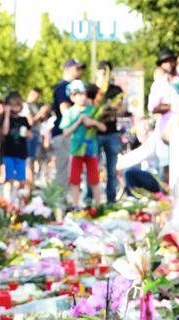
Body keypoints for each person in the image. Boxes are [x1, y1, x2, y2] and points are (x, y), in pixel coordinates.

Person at [60, 80, 106, 209]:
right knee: (75, 178)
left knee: (94, 178)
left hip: (91, 148)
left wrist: (93, 122)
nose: (82, 97)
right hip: (76, 149)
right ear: (72, 96)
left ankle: (98, 206)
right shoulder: (70, 112)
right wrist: (79, 121)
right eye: (79, 94)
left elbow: (103, 127)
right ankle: (75, 205)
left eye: (84, 94)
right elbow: (65, 132)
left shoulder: (94, 110)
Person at [51, 58, 85, 187]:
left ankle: (68, 201)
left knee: (72, 170)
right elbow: (64, 109)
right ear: (66, 69)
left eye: (80, 68)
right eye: (76, 68)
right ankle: (59, 202)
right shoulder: (63, 86)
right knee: (63, 170)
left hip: (72, 133)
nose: (79, 71)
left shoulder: (75, 86)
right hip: (63, 133)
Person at [94, 61, 124, 204]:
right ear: (97, 72)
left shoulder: (116, 90)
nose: (105, 74)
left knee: (111, 169)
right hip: (94, 134)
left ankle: (111, 200)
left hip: (111, 133)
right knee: (93, 167)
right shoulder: (92, 90)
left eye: (107, 71)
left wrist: (109, 110)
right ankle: (92, 200)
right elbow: (91, 110)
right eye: (102, 71)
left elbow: (118, 109)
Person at [1, 91, 31, 205]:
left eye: (17, 105)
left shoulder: (23, 119)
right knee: (9, 179)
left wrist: (27, 133)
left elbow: (30, 133)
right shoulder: (5, 119)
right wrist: (7, 114)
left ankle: (20, 202)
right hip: (9, 153)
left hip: (21, 153)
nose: (15, 108)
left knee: (21, 179)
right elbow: (5, 131)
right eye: (12, 106)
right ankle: (7, 201)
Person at [24, 87, 49, 185]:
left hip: (37, 133)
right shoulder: (26, 106)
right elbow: (30, 121)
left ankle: (31, 183)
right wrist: (40, 113)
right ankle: (28, 183)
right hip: (30, 134)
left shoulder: (35, 105)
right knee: (29, 159)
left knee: (34, 159)